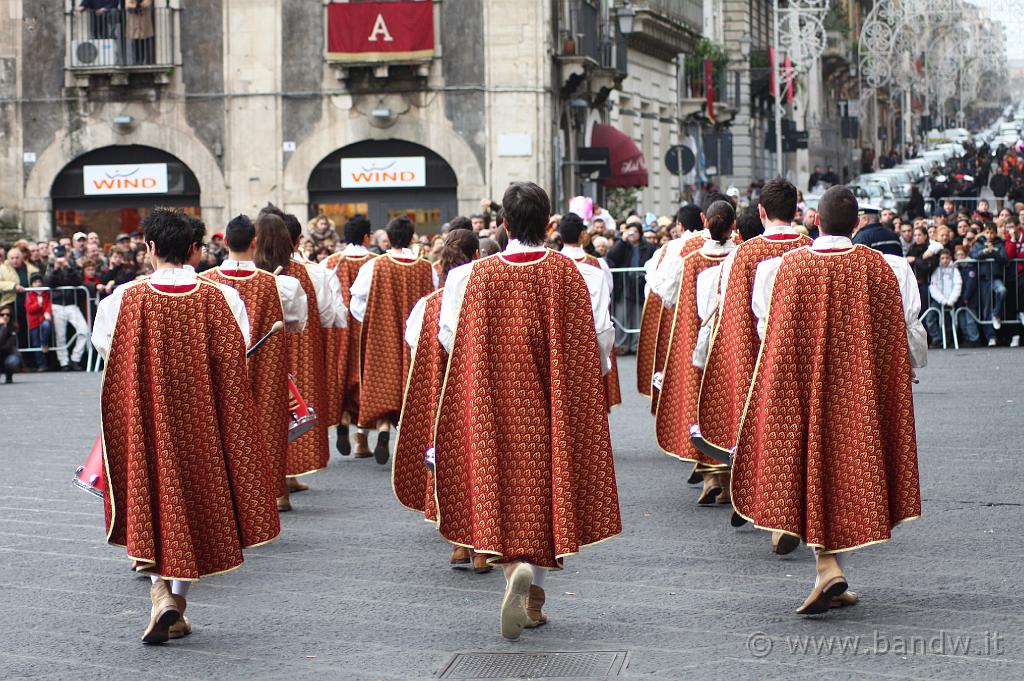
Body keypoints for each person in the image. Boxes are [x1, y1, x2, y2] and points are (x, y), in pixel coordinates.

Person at [433, 182, 620, 640]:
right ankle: (533, 596)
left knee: (498, 483)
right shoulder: (568, 273)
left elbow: (449, 337)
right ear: (548, 222)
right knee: (544, 486)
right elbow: (597, 339)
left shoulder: (472, 277)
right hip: (549, 395)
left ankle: (512, 565)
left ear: (504, 224)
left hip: (491, 397)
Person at [734, 186, 926, 615]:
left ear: (815, 222)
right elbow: (906, 328)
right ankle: (828, 568)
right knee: (848, 471)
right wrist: (908, 366)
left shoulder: (780, 269)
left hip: (801, 386)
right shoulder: (883, 267)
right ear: (858, 223)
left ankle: (828, 568)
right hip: (860, 388)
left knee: (809, 468)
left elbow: (768, 332)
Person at [91, 208, 279, 644]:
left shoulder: (121, 299)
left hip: (147, 419)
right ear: (196, 251)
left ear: (150, 248)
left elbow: (106, 351)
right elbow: (239, 350)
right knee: (195, 505)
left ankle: (162, 596)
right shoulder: (223, 298)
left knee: (151, 497)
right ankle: (175, 600)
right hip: (204, 419)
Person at [691, 179, 811, 518]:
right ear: (796, 210)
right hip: (801, 352)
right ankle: (794, 504)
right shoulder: (810, 248)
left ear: (761, 212)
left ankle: (763, 500)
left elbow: (729, 309)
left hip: (754, 355)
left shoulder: (742, 255)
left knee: (761, 426)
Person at [392, 229, 488, 571]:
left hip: (441, 393)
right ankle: (481, 547)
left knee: (447, 460)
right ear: (477, 255)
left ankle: (458, 543)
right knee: (479, 461)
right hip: (476, 388)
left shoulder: (428, 304)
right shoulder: (484, 294)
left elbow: (414, 343)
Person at [203, 214, 310, 514]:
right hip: (267, 364)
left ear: (224, 242)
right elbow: (298, 323)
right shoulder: (280, 284)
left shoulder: (206, 282)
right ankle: (276, 494)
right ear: (254, 242)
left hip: (222, 367)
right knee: (269, 426)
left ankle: (228, 492)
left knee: (223, 426)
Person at [654, 200, 736, 505]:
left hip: (696, 339)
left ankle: (710, 476)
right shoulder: (741, 253)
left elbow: (663, 292)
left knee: (700, 400)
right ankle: (726, 477)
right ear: (732, 225)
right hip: (730, 339)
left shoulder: (688, 258)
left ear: (705, 221)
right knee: (727, 400)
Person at [262, 206, 344, 494]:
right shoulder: (311, 274)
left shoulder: (239, 276)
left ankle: (274, 482)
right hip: (296, 351)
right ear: (295, 241)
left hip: (256, 353)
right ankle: (284, 481)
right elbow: (327, 316)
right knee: (292, 411)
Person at [349, 216, 437, 465]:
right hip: (413, 335)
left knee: (383, 384)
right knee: (409, 384)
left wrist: (373, 317)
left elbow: (357, 302)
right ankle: (407, 441)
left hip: (382, 333)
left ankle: (384, 427)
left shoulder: (374, 266)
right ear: (411, 237)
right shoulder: (424, 266)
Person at [634, 205, 703, 400]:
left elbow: (659, 286)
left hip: (684, 313)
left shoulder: (673, 248)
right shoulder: (735, 246)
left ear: (680, 226)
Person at [322, 215, 377, 456]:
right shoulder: (377, 262)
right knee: (366, 378)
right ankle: (361, 440)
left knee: (340, 376)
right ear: (367, 237)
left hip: (339, 329)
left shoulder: (330, 262)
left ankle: (342, 420)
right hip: (367, 329)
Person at [558, 212, 620, 412]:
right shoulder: (597, 264)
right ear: (582, 234)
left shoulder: (553, 263)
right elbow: (606, 295)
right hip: (589, 334)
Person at [605, 224, 655, 354]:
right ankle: (622, 345)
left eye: (635, 232)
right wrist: (623, 240)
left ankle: (636, 345)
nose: (632, 234)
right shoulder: (622, 245)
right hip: (624, 284)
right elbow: (612, 256)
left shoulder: (647, 247)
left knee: (638, 315)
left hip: (639, 284)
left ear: (640, 233)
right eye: (630, 231)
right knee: (623, 316)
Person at [44, 245, 90, 371]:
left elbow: (78, 281)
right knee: (60, 336)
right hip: (57, 304)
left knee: (83, 330)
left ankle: (75, 359)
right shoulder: (51, 266)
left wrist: (69, 269)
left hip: (71, 304)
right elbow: (48, 283)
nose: (61, 258)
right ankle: (64, 362)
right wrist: (55, 269)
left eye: (62, 255)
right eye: (58, 256)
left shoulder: (72, 264)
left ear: (66, 254)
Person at [969, 222, 1008, 345]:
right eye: (987, 232)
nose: (990, 235)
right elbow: (973, 255)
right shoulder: (979, 243)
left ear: (996, 233)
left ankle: (996, 314)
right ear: (984, 233)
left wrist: (993, 252)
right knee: (986, 308)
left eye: (992, 233)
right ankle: (991, 337)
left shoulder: (1000, 244)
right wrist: (984, 252)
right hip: (983, 279)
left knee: (1002, 291)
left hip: (995, 277)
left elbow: (1004, 259)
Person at [0, 246, 36, 347]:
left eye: (17, 258)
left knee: (27, 333)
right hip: (10, 305)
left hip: (28, 305)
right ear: (8, 258)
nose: (14, 260)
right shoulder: (2, 268)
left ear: (21, 258)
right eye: (12, 258)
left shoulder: (31, 268)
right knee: (12, 332)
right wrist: (13, 286)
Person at [926, 249, 962, 348]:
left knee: (948, 321)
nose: (945, 260)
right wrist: (942, 300)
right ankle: (936, 338)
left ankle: (948, 341)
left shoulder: (955, 270)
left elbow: (957, 285)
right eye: (942, 258)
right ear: (939, 259)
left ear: (950, 258)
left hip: (951, 300)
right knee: (930, 317)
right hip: (939, 300)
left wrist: (951, 300)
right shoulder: (936, 270)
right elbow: (933, 287)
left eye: (947, 258)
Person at [24, 272, 52, 371]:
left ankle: (44, 343)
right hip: (34, 322)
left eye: (39, 281)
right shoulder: (29, 294)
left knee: (46, 326)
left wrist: (48, 312)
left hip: (43, 319)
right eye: (35, 282)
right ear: (31, 284)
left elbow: (48, 305)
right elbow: (29, 309)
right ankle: (41, 365)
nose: (38, 284)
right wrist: (38, 304)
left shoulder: (45, 293)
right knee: (36, 343)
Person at [0, 305, 22, 383]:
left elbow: (7, 345)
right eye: (2, 315)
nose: (5, 316)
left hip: (8, 353)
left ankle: (9, 375)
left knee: (13, 361)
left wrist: (4, 327)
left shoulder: (14, 327)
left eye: (8, 315)